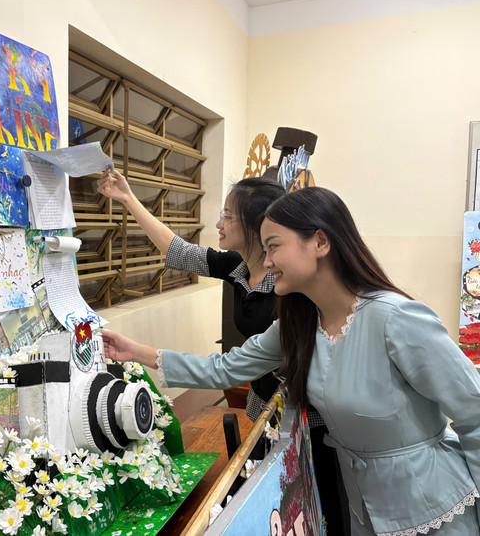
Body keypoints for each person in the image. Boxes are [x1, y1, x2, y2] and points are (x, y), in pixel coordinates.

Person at [102, 187, 480, 535]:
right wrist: (135, 352)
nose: (266, 262)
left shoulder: (396, 318)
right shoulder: (298, 325)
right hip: (364, 508)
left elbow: (474, 413)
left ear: (320, 242)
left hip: (433, 505)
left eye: (274, 247)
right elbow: (226, 369)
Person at [97, 169, 350, 534]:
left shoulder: (293, 285)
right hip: (264, 402)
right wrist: (128, 198)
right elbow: (177, 252)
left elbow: (230, 368)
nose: (219, 223)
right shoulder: (236, 267)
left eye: (227, 215)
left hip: (308, 415)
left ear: (256, 225)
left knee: (318, 499)